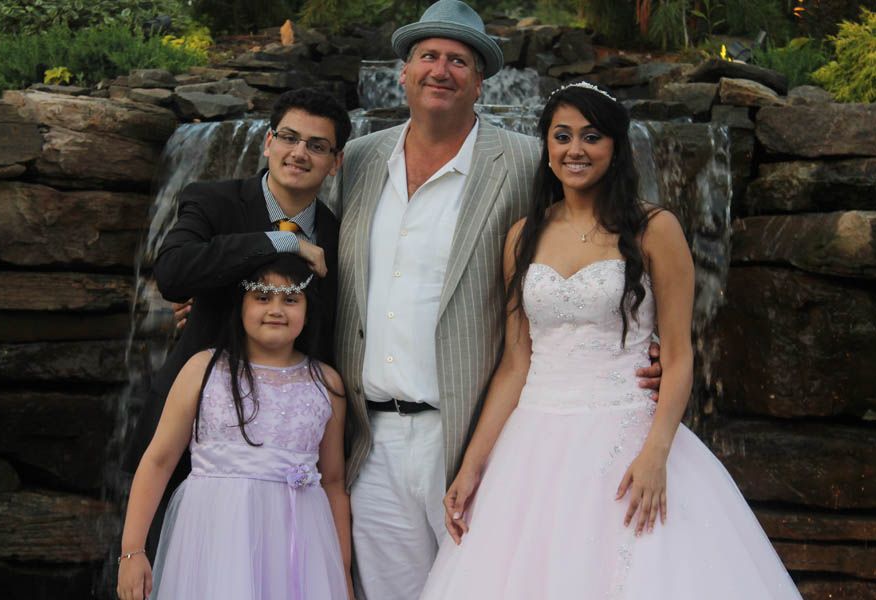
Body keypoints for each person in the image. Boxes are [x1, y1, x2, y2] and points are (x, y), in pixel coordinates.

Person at [327, 2, 662, 598]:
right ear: (403, 71)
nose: (441, 69)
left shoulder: (527, 161)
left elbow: (613, 240)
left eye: (459, 60)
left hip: (474, 433)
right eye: (428, 56)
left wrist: (641, 342)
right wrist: (226, 292)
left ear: (480, 81)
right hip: (371, 438)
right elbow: (308, 238)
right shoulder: (358, 158)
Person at [418, 82, 802, 599]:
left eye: (591, 136)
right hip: (531, 443)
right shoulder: (522, 235)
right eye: (562, 136)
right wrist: (473, 465)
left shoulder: (654, 229)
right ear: (547, 150)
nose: (576, 149)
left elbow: (680, 354)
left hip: (627, 432)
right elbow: (515, 363)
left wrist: (656, 454)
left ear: (615, 147)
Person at [123, 88, 351, 557]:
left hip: (290, 457)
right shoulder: (212, 202)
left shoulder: (340, 235)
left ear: (336, 161)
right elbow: (173, 274)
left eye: (317, 145)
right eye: (289, 137)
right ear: (267, 142)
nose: (299, 152)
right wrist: (281, 243)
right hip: (199, 445)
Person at [117, 255, 352, 600]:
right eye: (262, 297)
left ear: (308, 308)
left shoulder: (326, 384)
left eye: (290, 299)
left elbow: (332, 481)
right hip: (216, 536)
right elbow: (158, 461)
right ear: (240, 305)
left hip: (298, 541)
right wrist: (132, 550)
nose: (276, 309)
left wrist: (340, 573)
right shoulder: (204, 370)